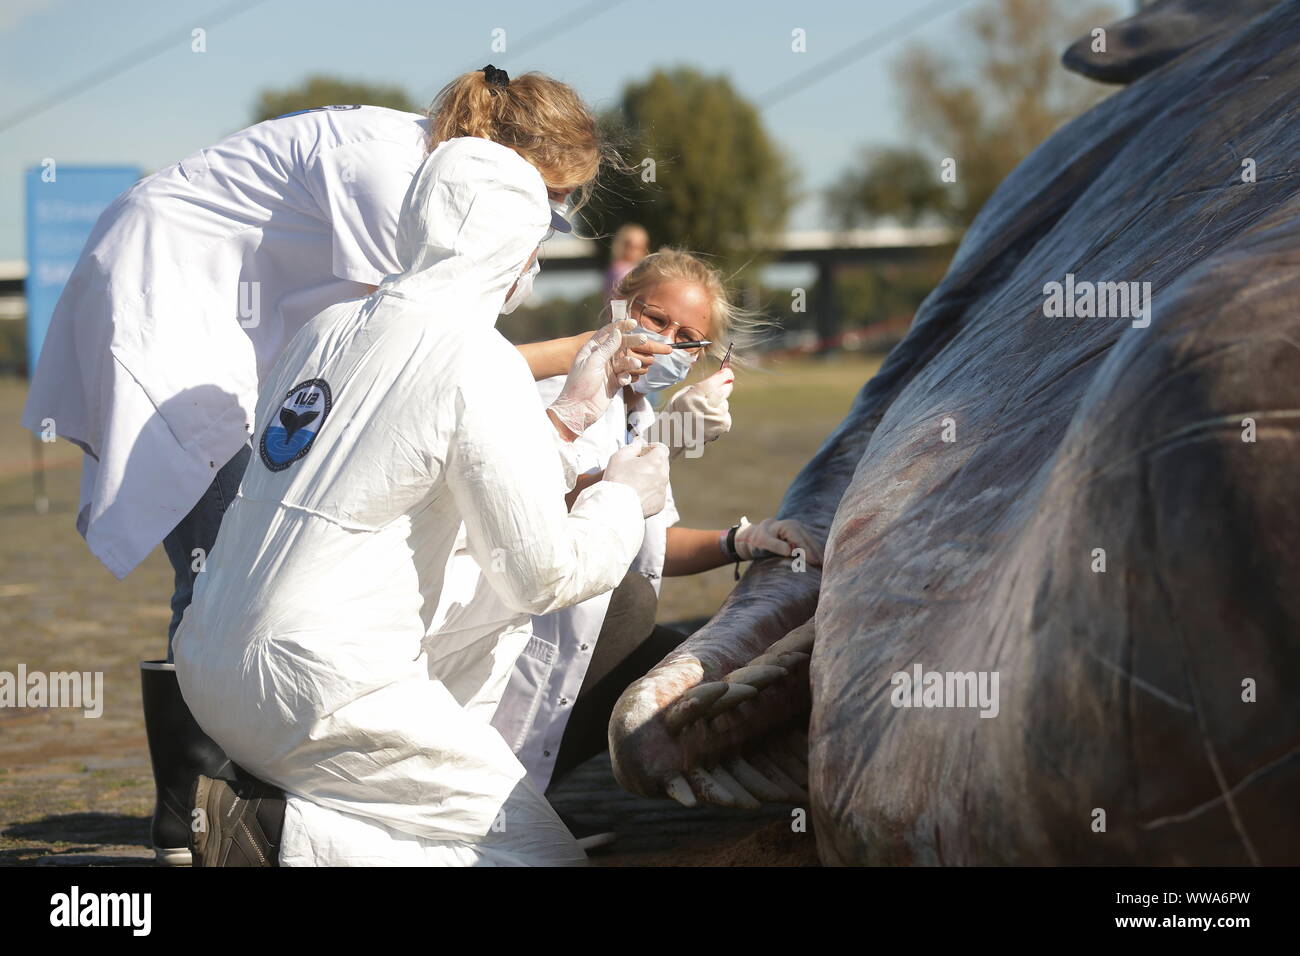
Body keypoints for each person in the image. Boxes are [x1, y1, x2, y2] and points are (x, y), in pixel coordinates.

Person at [21, 65, 658, 865]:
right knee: (537, 854)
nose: (545, 239)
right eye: (547, 211)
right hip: (175, 322)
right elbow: (416, 361)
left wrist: (561, 411)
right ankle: (225, 816)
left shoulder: (344, 300)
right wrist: (612, 476)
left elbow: (396, 371)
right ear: (512, 195)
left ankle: (250, 813)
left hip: (233, 636)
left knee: (242, 565)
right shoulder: (393, 181)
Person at [174, 134, 670, 867]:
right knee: (535, 858)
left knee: (416, 824)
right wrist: (624, 500)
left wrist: (568, 417)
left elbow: (407, 480)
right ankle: (274, 837)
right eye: (540, 237)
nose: (534, 264)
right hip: (322, 686)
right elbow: (539, 575)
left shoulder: (324, 331)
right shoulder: (479, 357)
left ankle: (279, 820)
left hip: (210, 666)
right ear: (513, 242)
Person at [490, 251, 822, 841]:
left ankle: (530, 811)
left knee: (682, 669)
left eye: (688, 338)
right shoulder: (546, 393)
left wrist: (741, 540)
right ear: (618, 305)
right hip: (519, 639)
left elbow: (650, 545)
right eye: (654, 318)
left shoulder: (638, 414)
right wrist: (667, 443)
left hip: (586, 645)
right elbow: (525, 506)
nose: (665, 342)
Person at [602, 223, 650, 300]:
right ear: (622, 245)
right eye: (631, 245)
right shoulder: (625, 272)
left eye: (641, 246)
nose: (636, 251)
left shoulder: (612, 270)